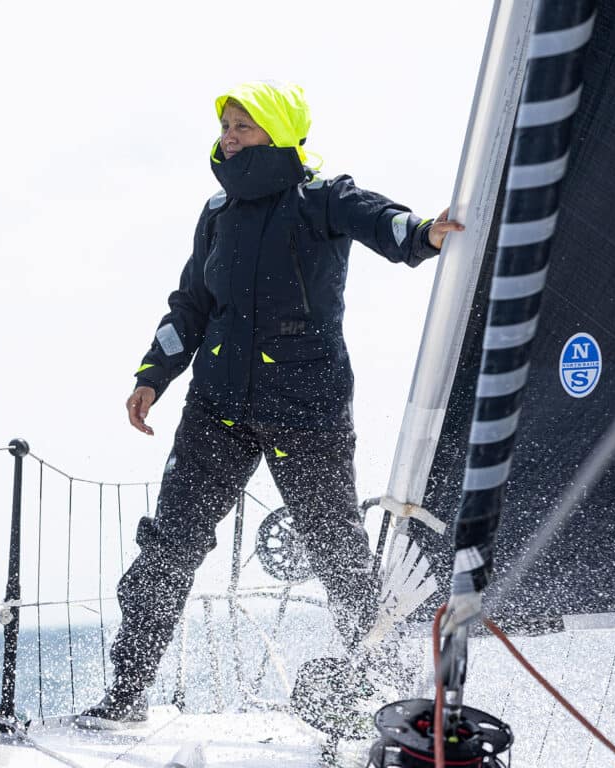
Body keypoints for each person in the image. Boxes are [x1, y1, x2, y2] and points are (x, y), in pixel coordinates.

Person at [75, 80, 463, 729]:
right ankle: (126, 692)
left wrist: (424, 233)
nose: (229, 136)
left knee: (338, 551)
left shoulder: (322, 199)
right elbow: (193, 304)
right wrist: (154, 374)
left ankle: (377, 680)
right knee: (168, 548)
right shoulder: (218, 212)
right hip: (216, 408)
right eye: (226, 125)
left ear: (279, 130)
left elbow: (386, 224)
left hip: (305, 409)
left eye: (243, 126)